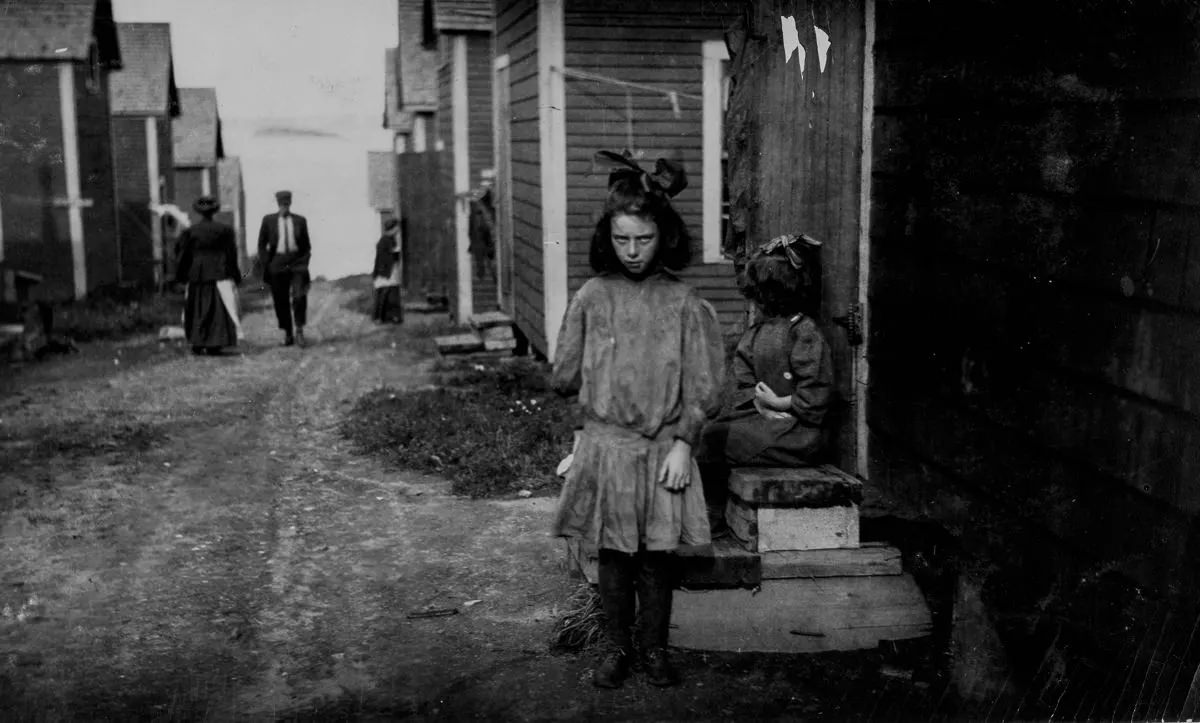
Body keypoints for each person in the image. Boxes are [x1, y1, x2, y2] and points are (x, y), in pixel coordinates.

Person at [551, 150, 725, 689]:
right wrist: (587, 429)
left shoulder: (684, 303)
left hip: (661, 452)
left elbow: (703, 386)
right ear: (607, 237)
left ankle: (654, 650)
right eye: (622, 239)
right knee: (612, 556)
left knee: (656, 558)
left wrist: (683, 443)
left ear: (664, 236)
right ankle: (616, 648)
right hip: (607, 449)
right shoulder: (591, 296)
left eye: (643, 240)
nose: (631, 251)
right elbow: (563, 374)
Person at [697, 233, 835, 529]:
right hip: (766, 419)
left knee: (713, 442)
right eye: (761, 293)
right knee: (707, 432)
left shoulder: (804, 332)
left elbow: (816, 395)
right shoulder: (760, 330)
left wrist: (778, 402)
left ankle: (713, 516)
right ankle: (704, 509)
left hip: (800, 433)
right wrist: (759, 404)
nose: (764, 300)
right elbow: (744, 378)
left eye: (770, 293)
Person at [175, 196, 241, 355]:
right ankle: (215, 343)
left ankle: (197, 342)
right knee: (217, 307)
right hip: (218, 272)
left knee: (196, 307)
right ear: (214, 212)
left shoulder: (191, 231)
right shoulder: (225, 230)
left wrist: (181, 276)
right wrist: (235, 274)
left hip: (197, 274)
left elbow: (183, 255)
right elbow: (231, 254)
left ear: (199, 212)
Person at [257, 190, 312, 347]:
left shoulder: (300, 220)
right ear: (277, 204)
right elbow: (261, 244)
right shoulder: (268, 220)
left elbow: (307, 246)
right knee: (280, 300)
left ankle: (299, 331)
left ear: (290, 204)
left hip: (297, 263)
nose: (284, 207)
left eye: (286, 204)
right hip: (277, 263)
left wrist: (304, 262)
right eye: (281, 204)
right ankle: (288, 333)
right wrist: (267, 262)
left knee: (299, 296)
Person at [372, 218, 404, 323]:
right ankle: (379, 318)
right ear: (393, 228)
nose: (398, 230)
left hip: (390, 271)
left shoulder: (391, 239)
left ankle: (390, 317)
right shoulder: (384, 241)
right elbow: (383, 259)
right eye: (396, 228)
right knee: (383, 295)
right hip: (385, 272)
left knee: (391, 295)